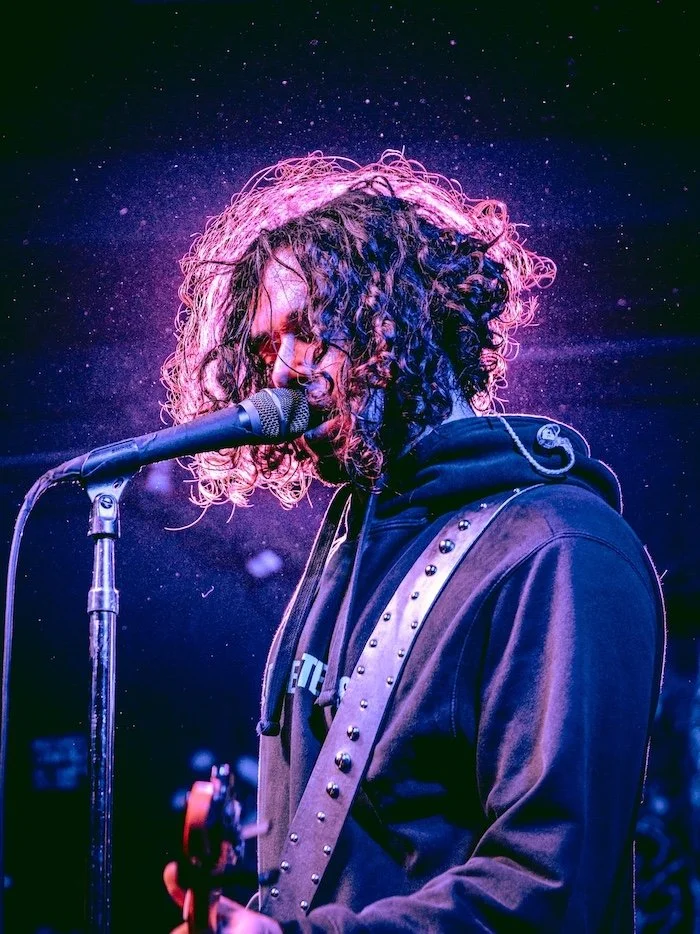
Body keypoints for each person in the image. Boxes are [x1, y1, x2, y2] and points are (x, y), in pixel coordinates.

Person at [161, 152, 665, 932]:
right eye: (265, 349)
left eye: (308, 330)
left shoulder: (560, 549)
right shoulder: (351, 545)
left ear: (398, 320)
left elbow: (550, 891)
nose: (282, 373)